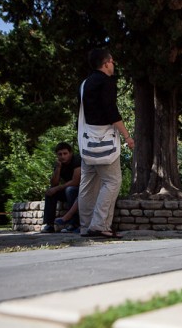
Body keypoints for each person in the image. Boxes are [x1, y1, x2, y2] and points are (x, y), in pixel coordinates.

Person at [78, 48, 134, 239]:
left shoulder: (85, 84)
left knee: (88, 184)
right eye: (112, 61)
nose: (114, 64)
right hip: (104, 142)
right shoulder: (106, 82)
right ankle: (100, 224)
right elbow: (111, 111)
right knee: (112, 181)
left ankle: (85, 226)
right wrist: (127, 136)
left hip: (87, 142)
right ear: (106, 63)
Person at [41, 142, 81, 233]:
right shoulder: (59, 163)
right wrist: (58, 168)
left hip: (81, 191)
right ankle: (49, 225)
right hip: (68, 190)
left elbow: (76, 182)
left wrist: (56, 188)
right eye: (60, 154)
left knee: (70, 190)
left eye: (65, 153)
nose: (62, 156)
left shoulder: (76, 160)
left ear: (70, 153)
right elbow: (54, 184)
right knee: (50, 193)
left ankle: (73, 224)